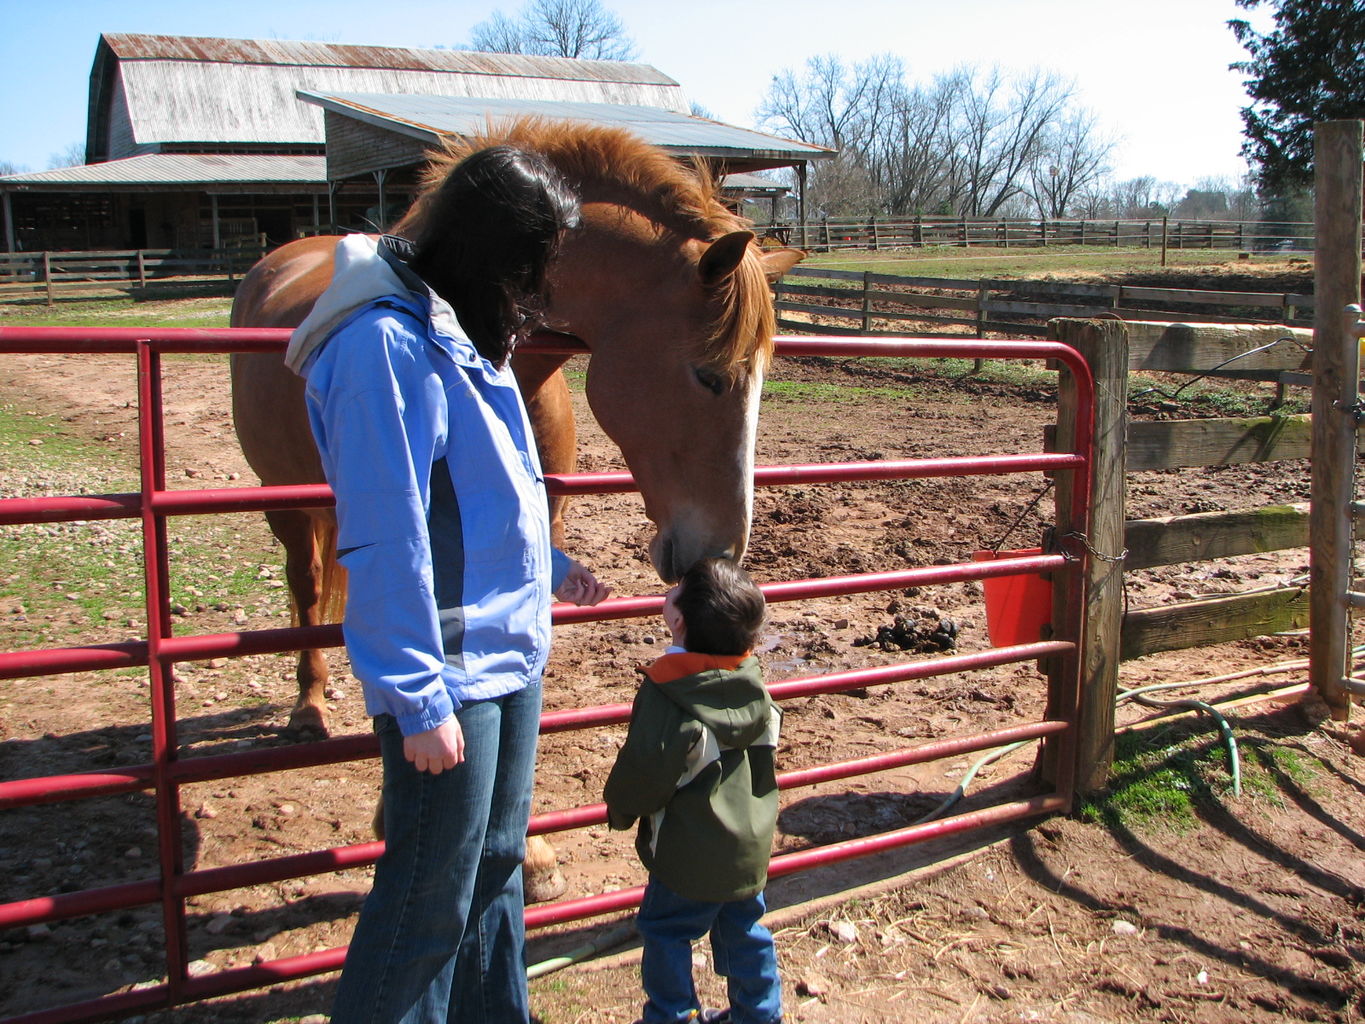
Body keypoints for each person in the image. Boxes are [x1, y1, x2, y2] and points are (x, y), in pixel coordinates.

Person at [284, 146, 610, 1024]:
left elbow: (486, 485)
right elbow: (386, 533)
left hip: (507, 646)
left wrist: (548, 566)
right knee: (427, 897)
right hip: (448, 667)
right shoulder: (381, 346)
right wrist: (417, 697)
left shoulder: (460, 320)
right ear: (489, 252)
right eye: (531, 264)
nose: (540, 285)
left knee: (498, 860)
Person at [604, 558, 783, 1024]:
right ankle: (759, 1014)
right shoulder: (755, 685)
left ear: (677, 619)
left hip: (687, 854)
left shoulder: (670, 694)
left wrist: (620, 810)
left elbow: (645, 768)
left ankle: (672, 1014)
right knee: (745, 930)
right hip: (750, 847)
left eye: (677, 586)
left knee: (666, 931)